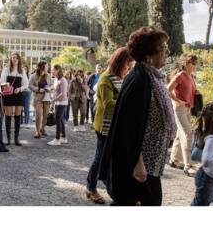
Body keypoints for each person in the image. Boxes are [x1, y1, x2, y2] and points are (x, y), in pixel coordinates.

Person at [100, 27, 177, 206]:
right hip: (139, 166)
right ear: (148, 54)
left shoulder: (152, 77)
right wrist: (138, 162)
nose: (167, 52)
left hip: (151, 162)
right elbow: (127, 128)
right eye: (163, 48)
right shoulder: (139, 81)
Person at [85, 47, 133, 204]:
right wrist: (127, 100)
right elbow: (108, 104)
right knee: (100, 159)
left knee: (111, 159)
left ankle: (114, 189)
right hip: (104, 127)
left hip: (114, 126)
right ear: (119, 62)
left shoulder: (119, 77)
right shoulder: (105, 78)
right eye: (127, 64)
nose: (128, 67)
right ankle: (91, 188)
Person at [168, 54, 199, 176]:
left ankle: (174, 160)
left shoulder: (191, 76)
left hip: (188, 109)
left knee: (179, 134)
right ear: (185, 63)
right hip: (179, 109)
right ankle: (188, 165)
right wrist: (178, 101)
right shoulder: (180, 75)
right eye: (192, 63)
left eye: (195, 63)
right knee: (188, 134)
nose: (194, 65)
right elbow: (167, 90)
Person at [0, 53, 26, 145]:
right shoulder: (6, 70)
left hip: (18, 94)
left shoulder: (22, 70)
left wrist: (20, 89)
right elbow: (1, 82)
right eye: (13, 58)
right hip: (8, 94)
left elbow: (26, 84)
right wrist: (6, 85)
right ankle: (8, 139)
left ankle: (16, 139)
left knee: (18, 117)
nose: (15, 59)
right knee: (8, 116)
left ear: (19, 60)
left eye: (16, 58)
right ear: (11, 59)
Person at [47, 65, 68, 146]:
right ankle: (64, 137)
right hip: (57, 103)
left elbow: (63, 94)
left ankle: (57, 139)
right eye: (51, 70)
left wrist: (53, 100)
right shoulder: (56, 79)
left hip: (61, 103)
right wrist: (51, 89)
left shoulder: (63, 80)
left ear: (58, 70)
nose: (51, 71)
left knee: (57, 120)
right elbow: (56, 90)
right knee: (60, 120)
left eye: (53, 70)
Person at [29, 61, 51, 138]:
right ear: (42, 67)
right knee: (38, 114)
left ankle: (42, 129)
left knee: (45, 115)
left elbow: (51, 85)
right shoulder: (34, 76)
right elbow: (30, 85)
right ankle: (37, 131)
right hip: (37, 97)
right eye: (47, 66)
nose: (48, 67)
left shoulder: (48, 75)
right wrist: (38, 89)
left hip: (46, 97)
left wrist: (49, 88)